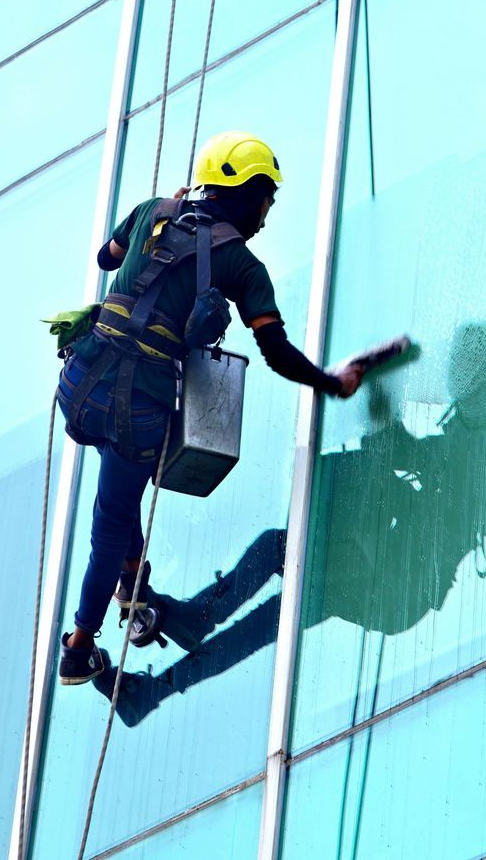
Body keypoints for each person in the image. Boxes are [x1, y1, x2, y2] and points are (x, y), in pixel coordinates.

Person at [53, 131, 366, 690]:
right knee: (111, 521)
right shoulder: (242, 265)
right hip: (136, 409)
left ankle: (131, 581)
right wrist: (330, 382)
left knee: (117, 498)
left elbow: (106, 258)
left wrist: (163, 222)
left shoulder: (154, 210)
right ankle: (79, 646)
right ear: (243, 191)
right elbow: (276, 353)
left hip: (81, 385)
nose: (268, 212)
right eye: (266, 195)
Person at [102, 320, 486, 727]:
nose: (454, 368)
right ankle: (151, 692)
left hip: (393, 579)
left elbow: (402, 458)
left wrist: (380, 383)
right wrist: (380, 385)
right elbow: (404, 458)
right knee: (275, 614)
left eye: (466, 361)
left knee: (275, 559)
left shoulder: (485, 448)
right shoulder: (475, 438)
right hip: (391, 580)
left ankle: (191, 629)